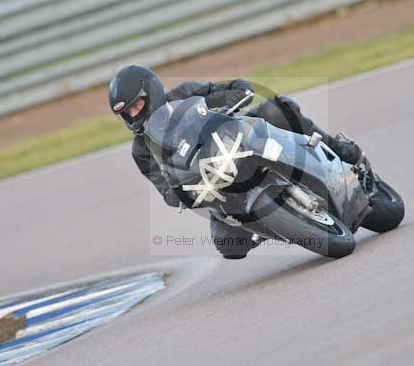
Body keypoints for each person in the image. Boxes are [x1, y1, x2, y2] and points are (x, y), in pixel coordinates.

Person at [108, 65, 365, 259]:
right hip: (214, 187)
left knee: (279, 108)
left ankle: (335, 146)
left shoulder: (184, 93)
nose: (133, 115)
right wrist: (177, 193)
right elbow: (164, 189)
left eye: (136, 106)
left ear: (150, 90)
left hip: (238, 141)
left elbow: (227, 90)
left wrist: (237, 95)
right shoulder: (141, 150)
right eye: (126, 113)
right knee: (228, 245)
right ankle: (275, 225)